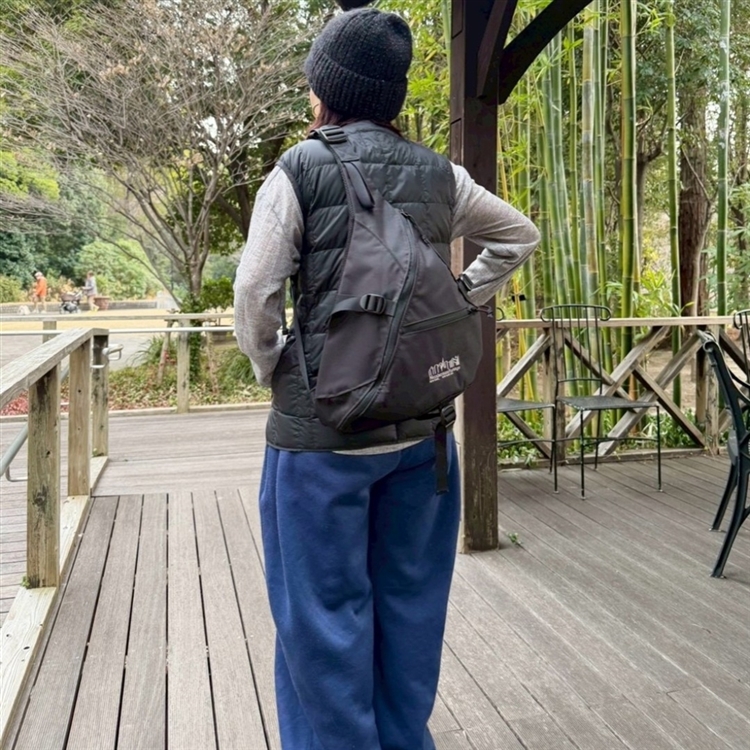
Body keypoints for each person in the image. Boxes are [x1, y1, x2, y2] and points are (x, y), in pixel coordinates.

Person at [234, 8, 541, 750]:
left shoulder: (300, 169)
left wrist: (276, 367)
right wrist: (460, 297)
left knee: (321, 622)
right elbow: (519, 235)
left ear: (326, 90)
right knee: (410, 611)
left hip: (322, 443)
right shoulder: (441, 175)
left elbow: (255, 294)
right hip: (422, 440)